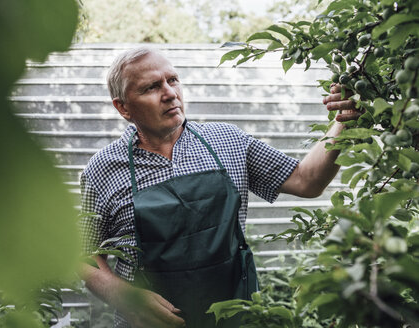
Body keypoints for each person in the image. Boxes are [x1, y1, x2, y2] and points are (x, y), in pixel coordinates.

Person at [79, 47, 361, 328]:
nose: (170, 93)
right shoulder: (103, 169)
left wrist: (343, 120)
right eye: (151, 87)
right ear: (123, 107)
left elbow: (307, 180)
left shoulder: (228, 141)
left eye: (173, 80)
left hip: (236, 319)